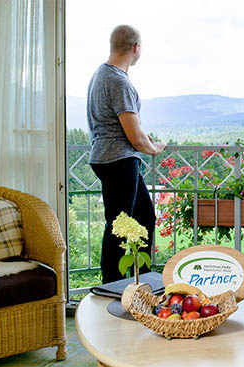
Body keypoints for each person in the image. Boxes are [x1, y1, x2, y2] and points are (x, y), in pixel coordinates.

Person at [87, 25, 166, 284]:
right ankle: (114, 284)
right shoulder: (119, 81)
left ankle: (139, 279)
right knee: (119, 226)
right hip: (119, 160)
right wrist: (153, 148)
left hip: (106, 156)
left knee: (143, 216)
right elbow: (133, 135)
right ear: (135, 48)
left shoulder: (100, 75)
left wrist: (142, 139)